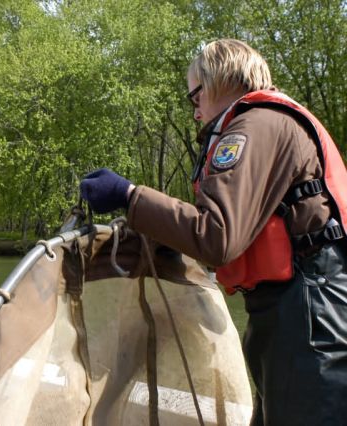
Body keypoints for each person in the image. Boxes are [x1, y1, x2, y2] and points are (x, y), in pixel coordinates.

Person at [80, 39, 347, 425]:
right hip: (297, 312)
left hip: (310, 318)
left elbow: (216, 236)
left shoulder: (254, 125)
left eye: (195, 96)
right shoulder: (266, 123)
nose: (195, 112)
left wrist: (130, 195)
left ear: (218, 79)